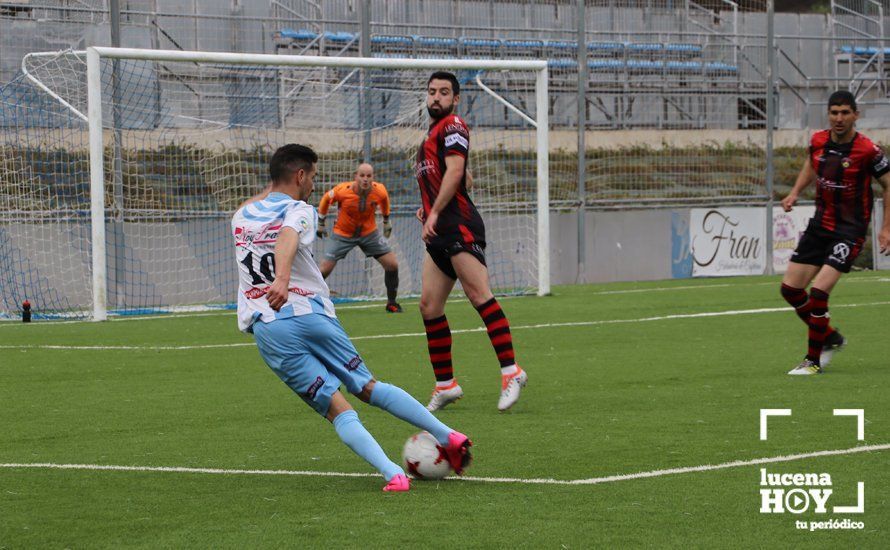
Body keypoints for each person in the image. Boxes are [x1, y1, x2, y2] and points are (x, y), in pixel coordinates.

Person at [232, 144, 471, 492]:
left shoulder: (241, 216)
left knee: (337, 409)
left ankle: (394, 474)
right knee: (368, 386)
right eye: (312, 177)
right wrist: (283, 279)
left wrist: (279, 281)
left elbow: (274, 229)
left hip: (272, 329)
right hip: (313, 316)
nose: (313, 184)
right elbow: (287, 235)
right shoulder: (300, 209)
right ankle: (448, 435)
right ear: (299, 176)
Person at [414, 71, 528, 411]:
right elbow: (464, 176)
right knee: (429, 307)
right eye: (432, 91)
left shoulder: (452, 126)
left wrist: (435, 211)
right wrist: (429, 209)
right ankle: (445, 384)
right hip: (439, 229)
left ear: (456, 98)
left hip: (457, 226)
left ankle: (512, 371)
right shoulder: (432, 134)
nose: (436, 97)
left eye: (444, 92)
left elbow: (455, 172)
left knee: (479, 295)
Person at [780, 90, 890, 375]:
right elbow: (811, 166)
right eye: (834, 112)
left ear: (856, 115)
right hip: (820, 225)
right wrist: (794, 193)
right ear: (828, 114)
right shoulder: (817, 141)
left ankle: (813, 361)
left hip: (849, 231)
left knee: (818, 292)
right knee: (790, 289)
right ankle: (830, 337)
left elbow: (889, 184)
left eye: (845, 113)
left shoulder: (868, 150)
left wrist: (886, 227)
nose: (839, 118)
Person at [316, 163, 402, 313]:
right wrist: (321, 222)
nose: (365, 179)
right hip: (342, 234)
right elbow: (325, 199)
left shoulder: (379, 190)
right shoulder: (342, 191)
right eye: (362, 175)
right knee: (323, 270)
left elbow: (385, 201)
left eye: (369, 176)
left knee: (392, 264)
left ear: (373, 177)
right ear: (355, 177)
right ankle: (310, 302)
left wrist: (387, 221)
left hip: (369, 234)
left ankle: (392, 303)